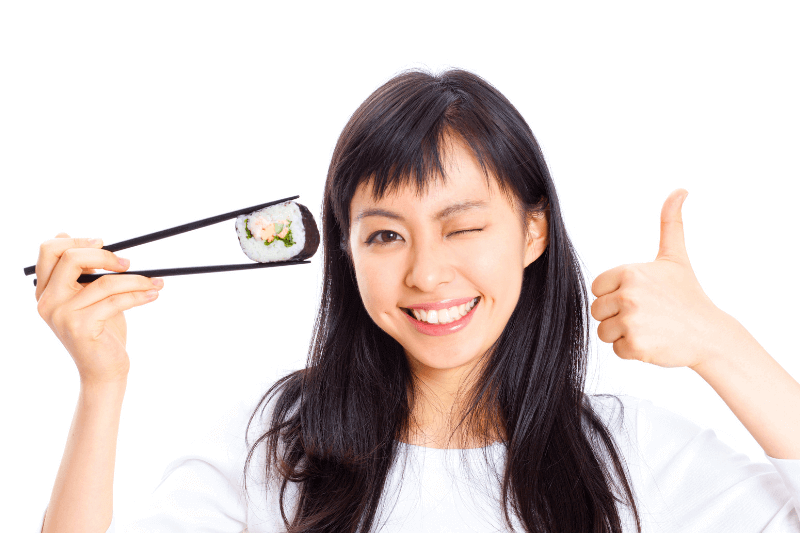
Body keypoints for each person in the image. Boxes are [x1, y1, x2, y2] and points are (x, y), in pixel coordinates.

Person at [36, 69, 800, 532]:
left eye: (462, 226)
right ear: (344, 250)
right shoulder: (275, 447)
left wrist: (720, 343)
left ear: (534, 231)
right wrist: (100, 384)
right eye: (384, 236)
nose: (427, 274)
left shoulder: (630, 454)